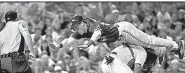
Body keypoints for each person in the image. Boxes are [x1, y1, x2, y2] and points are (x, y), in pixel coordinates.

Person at [48, 15, 185, 59]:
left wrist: (89, 44)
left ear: (82, 23)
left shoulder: (90, 24)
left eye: (76, 27)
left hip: (124, 31)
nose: (76, 30)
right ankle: (161, 51)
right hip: (121, 37)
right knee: (144, 48)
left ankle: (177, 45)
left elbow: (97, 33)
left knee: (149, 41)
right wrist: (57, 45)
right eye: (75, 29)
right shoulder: (81, 31)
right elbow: (69, 39)